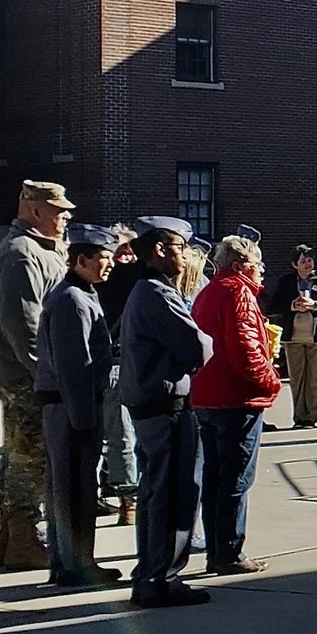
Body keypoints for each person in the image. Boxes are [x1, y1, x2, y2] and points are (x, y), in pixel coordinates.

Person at [119, 215, 217, 608]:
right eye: (179, 248)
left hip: (160, 404)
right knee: (170, 493)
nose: (185, 256)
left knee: (164, 490)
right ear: (158, 251)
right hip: (165, 407)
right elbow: (198, 347)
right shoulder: (156, 293)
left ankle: (157, 573)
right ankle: (158, 576)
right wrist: (204, 343)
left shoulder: (152, 291)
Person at [0, 181, 75, 568]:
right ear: (35, 210)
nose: (65, 216)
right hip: (28, 375)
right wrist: (48, 375)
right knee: (31, 456)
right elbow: (23, 325)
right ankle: (23, 540)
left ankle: (12, 540)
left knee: (19, 453)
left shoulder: (38, 249)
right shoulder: (22, 254)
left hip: (26, 372)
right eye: (58, 210)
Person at [35, 224, 125, 588]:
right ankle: (76, 566)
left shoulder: (81, 294)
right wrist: (85, 419)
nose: (109, 266)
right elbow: (75, 367)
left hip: (69, 406)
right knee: (75, 489)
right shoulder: (72, 300)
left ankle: (68, 562)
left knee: (67, 489)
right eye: (103, 259)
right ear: (81, 260)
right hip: (72, 407)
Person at [191, 235, 282, 574]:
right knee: (235, 478)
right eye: (258, 265)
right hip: (234, 397)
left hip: (208, 394)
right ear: (242, 264)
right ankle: (229, 551)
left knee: (215, 476)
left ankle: (217, 547)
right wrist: (271, 380)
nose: (261, 272)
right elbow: (245, 349)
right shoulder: (237, 291)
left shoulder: (209, 290)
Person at [94, 226, 145, 522]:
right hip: (115, 363)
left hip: (107, 363)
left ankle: (104, 493)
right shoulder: (121, 279)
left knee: (106, 436)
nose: (126, 258)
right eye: (120, 251)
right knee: (122, 435)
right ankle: (129, 500)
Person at [263, 245, 317, 430]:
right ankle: (299, 417)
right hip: (293, 337)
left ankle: (310, 419)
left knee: (316, 379)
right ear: (294, 264)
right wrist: (292, 306)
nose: (308, 264)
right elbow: (275, 306)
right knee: (297, 379)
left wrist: (315, 305)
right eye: (303, 260)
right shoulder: (286, 282)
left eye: (310, 260)